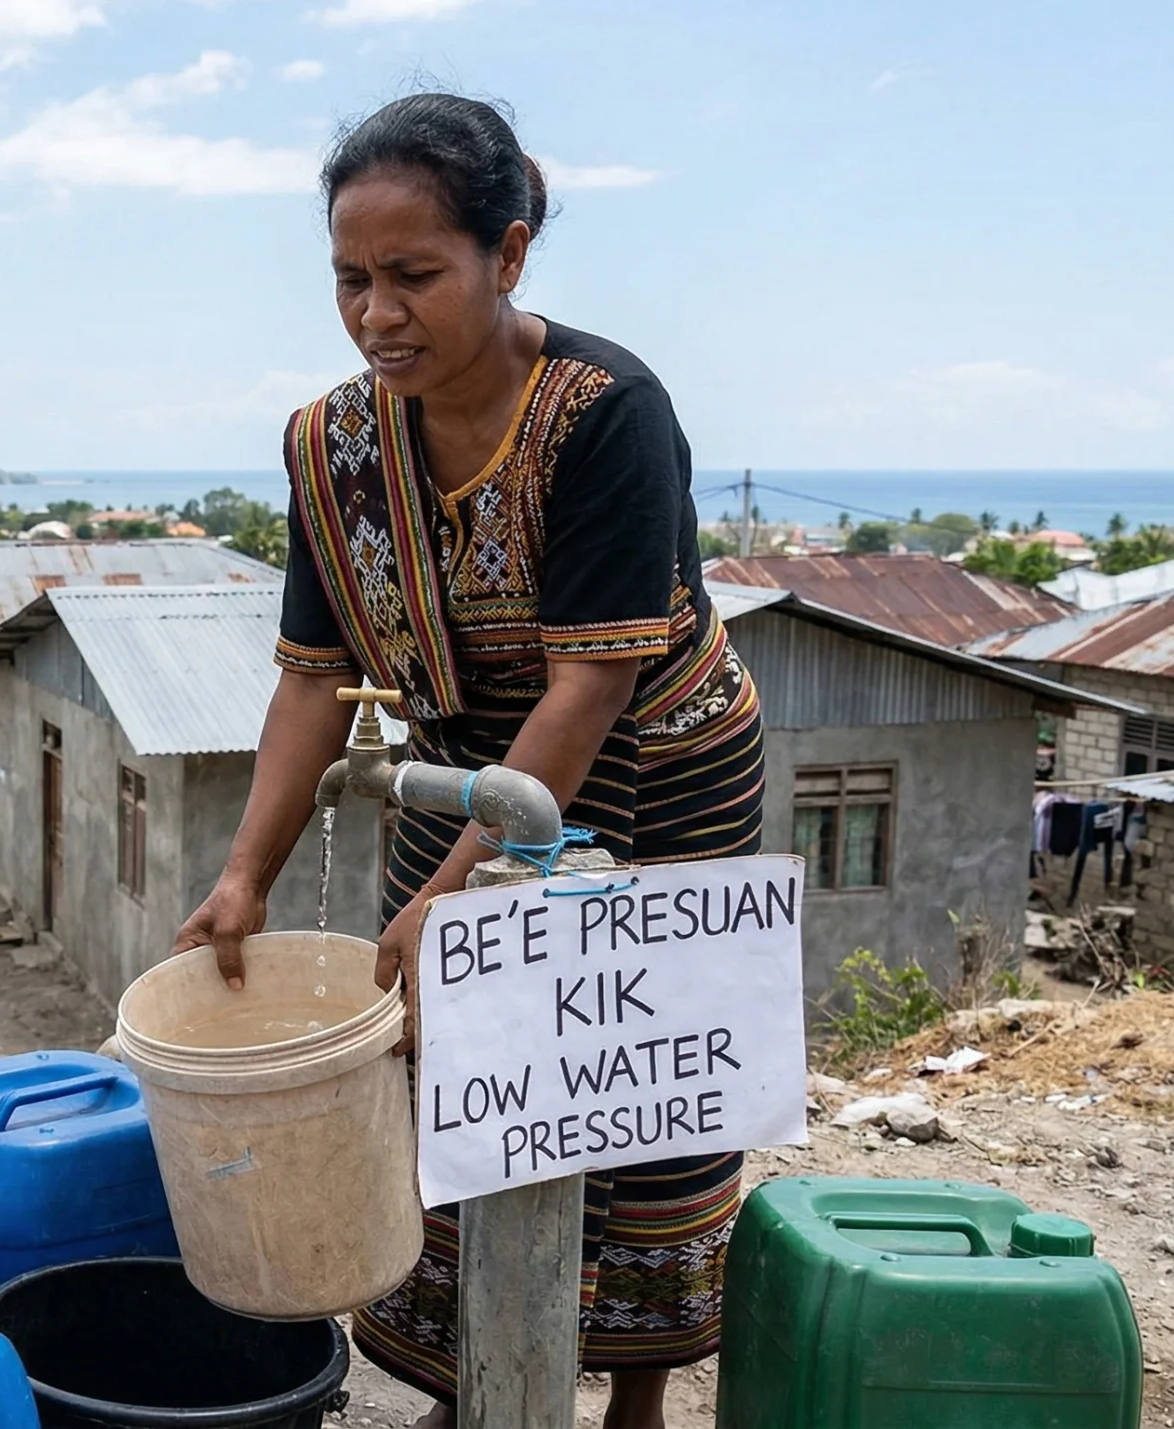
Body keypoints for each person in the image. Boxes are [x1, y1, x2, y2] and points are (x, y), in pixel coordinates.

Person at [173, 93, 766, 1429]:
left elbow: (591, 684)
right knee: (450, 1066)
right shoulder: (331, 448)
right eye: (352, 279)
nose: (378, 313)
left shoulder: (608, 415)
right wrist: (246, 874)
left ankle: (633, 1396)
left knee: (636, 1088)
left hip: (653, 768)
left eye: (414, 274)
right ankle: (477, 1381)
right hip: (458, 773)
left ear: (507, 254)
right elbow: (312, 679)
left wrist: (453, 896)